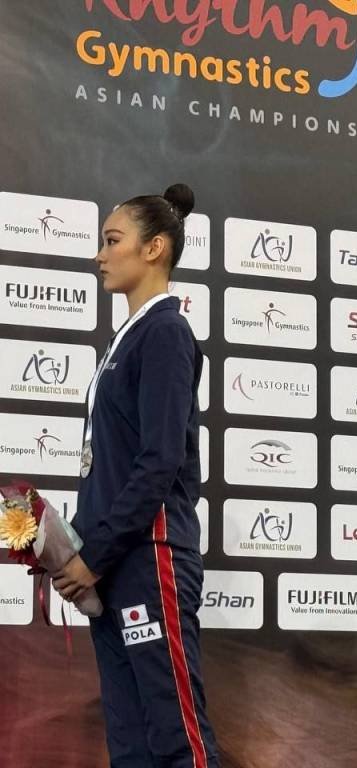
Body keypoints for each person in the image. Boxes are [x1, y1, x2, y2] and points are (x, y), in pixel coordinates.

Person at [54, 183, 219, 768]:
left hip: (150, 557)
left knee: (174, 734)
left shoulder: (166, 332)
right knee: (129, 741)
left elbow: (160, 462)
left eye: (112, 241)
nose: (100, 255)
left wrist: (94, 555)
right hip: (112, 563)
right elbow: (113, 463)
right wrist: (74, 550)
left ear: (154, 249)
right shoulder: (124, 339)